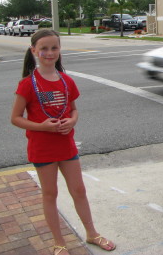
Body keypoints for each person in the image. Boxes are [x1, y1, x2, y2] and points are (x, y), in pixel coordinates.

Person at [11, 30, 115, 255]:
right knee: (50, 194)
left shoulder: (67, 81)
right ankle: (59, 243)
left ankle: (92, 233)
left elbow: (74, 110)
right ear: (34, 51)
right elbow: (16, 118)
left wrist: (72, 120)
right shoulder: (27, 84)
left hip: (66, 145)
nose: (49, 53)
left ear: (60, 50)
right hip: (42, 148)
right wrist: (42, 127)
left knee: (79, 190)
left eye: (54, 48)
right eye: (44, 48)